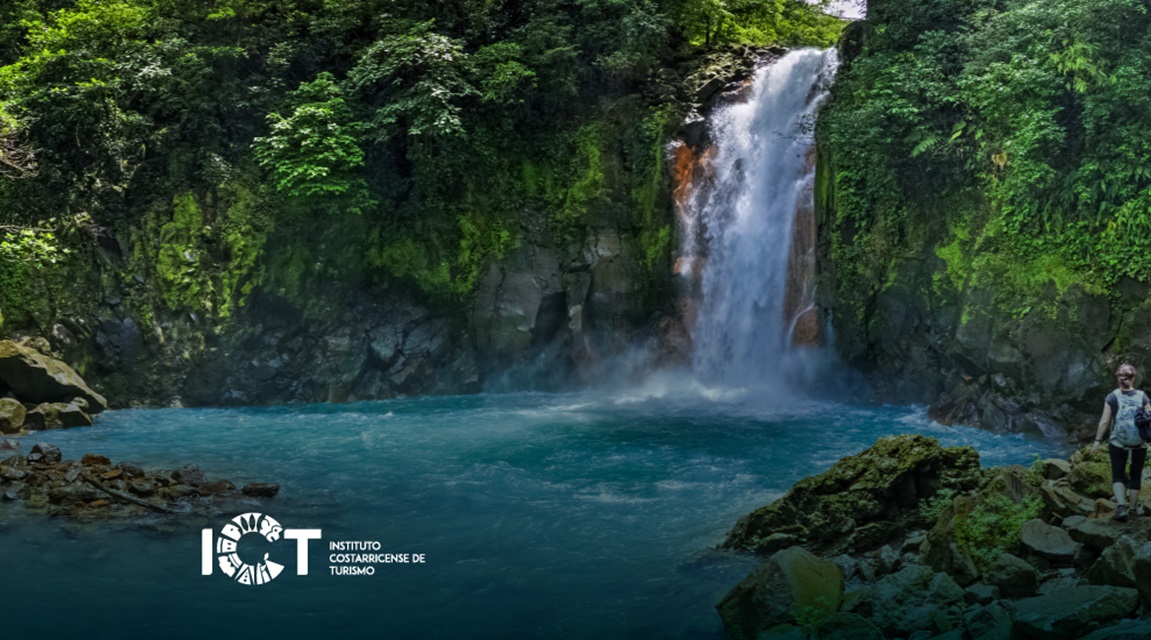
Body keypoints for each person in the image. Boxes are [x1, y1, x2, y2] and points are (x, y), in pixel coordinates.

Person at [1092, 363, 1151, 521]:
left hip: (1118, 443)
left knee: (1118, 475)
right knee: (1136, 476)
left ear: (1118, 377)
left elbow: (1105, 421)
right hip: (1139, 444)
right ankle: (1133, 510)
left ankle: (1120, 507)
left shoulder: (1112, 397)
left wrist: (1097, 441)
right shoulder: (1142, 396)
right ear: (1133, 378)